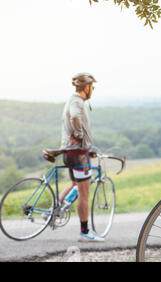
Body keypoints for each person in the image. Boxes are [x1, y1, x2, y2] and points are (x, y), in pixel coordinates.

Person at [59, 72, 105, 242]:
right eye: (92, 87)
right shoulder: (77, 102)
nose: (92, 89)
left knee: (74, 185)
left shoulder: (73, 100)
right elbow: (76, 116)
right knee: (84, 194)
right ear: (86, 87)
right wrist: (79, 135)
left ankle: (54, 209)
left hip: (71, 152)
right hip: (78, 155)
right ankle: (85, 232)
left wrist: (87, 148)